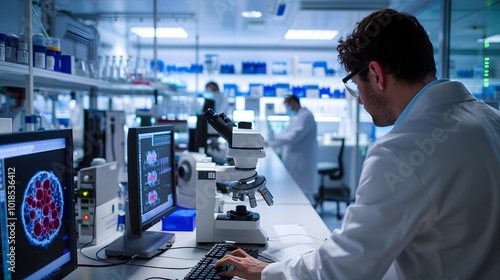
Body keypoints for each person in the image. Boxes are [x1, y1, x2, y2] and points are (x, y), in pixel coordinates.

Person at [215, 8, 500, 279]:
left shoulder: (401, 151)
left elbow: (343, 271)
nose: (360, 99)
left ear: (376, 74)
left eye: (355, 84)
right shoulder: (491, 119)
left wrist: (264, 272)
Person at [266, 94, 318, 202]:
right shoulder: (297, 117)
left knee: (303, 192)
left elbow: (293, 136)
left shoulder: (306, 116)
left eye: (287, 106)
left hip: (301, 160)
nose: (287, 109)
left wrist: (272, 142)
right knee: (296, 191)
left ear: (293, 103)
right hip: (294, 158)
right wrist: (272, 140)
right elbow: (285, 133)